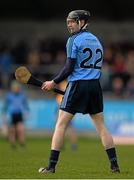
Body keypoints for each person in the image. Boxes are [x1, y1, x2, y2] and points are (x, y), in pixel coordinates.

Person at [39, 10, 120, 174]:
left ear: (82, 22)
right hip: (95, 86)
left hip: (77, 85)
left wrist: (53, 82)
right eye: (68, 21)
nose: (69, 24)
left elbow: (69, 68)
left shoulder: (73, 40)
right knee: (101, 126)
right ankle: (114, 166)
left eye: (72, 21)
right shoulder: (97, 40)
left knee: (61, 124)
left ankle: (51, 167)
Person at [2, 80, 29, 149]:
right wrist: (4, 114)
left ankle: (22, 142)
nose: (16, 89)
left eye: (17, 87)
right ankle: (13, 144)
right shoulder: (9, 95)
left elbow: (25, 104)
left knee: (20, 129)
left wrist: (27, 111)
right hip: (11, 115)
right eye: (14, 87)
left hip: (19, 114)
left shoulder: (22, 95)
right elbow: (5, 106)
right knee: (12, 130)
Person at [55, 80, 78, 151]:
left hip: (62, 105)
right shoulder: (72, 82)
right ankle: (70, 145)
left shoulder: (64, 83)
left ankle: (60, 144)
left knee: (61, 127)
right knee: (68, 128)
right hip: (67, 105)